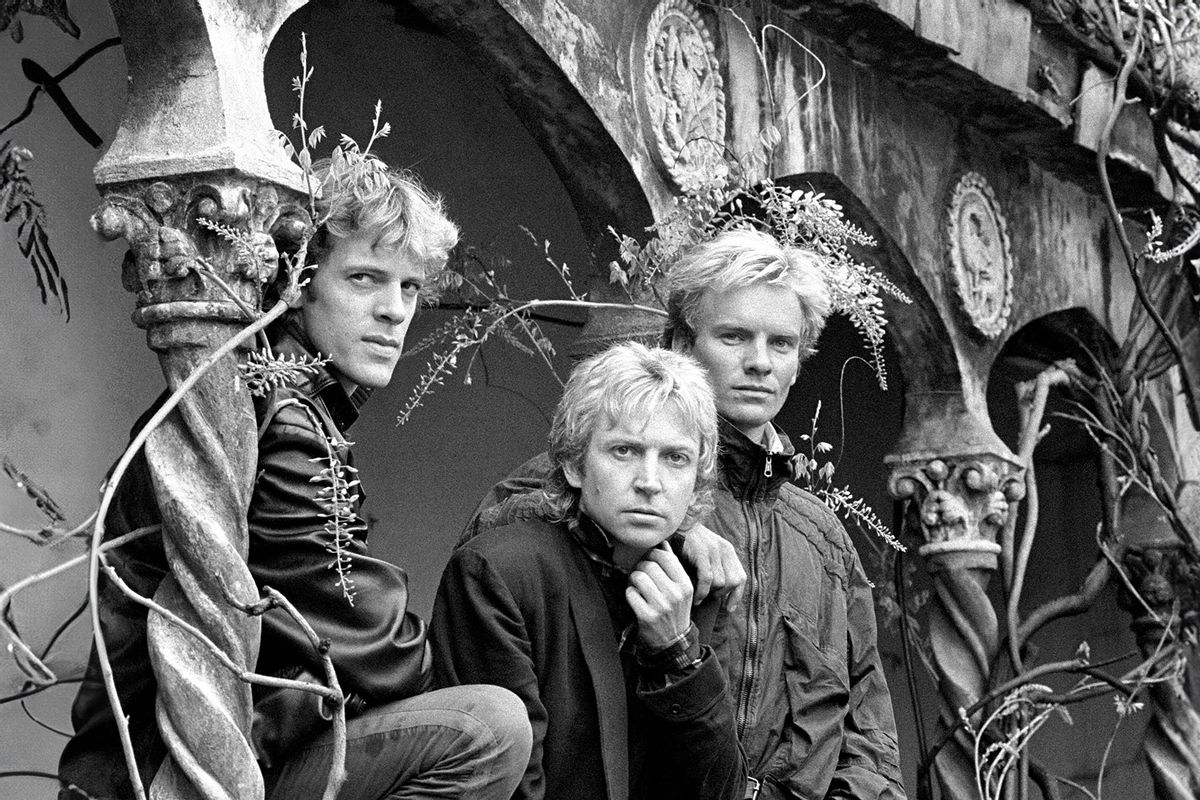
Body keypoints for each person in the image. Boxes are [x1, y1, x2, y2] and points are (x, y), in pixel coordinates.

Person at [58, 161, 532, 800]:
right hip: (159, 772)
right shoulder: (279, 416)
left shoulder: (281, 397)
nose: (394, 312)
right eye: (364, 279)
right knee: (490, 728)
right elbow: (375, 642)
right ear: (298, 281)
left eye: (411, 287)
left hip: (207, 750)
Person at [467, 228, 906, 800]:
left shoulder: (824, 539)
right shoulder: (623, 487)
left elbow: (870, 733)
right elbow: (500, 549)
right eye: (733, 337)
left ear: (801, 362)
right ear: (681, 344)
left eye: (781, 344)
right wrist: (682, 525)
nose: (759, 363)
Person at [431, 342, 747, 800]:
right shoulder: (498, 572)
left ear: (697, 478)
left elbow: (721, 791)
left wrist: (677, 655)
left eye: (675, 458)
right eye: (624, 451)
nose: (650, 482)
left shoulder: (690, 589)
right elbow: (513, 787)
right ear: (574, 463)